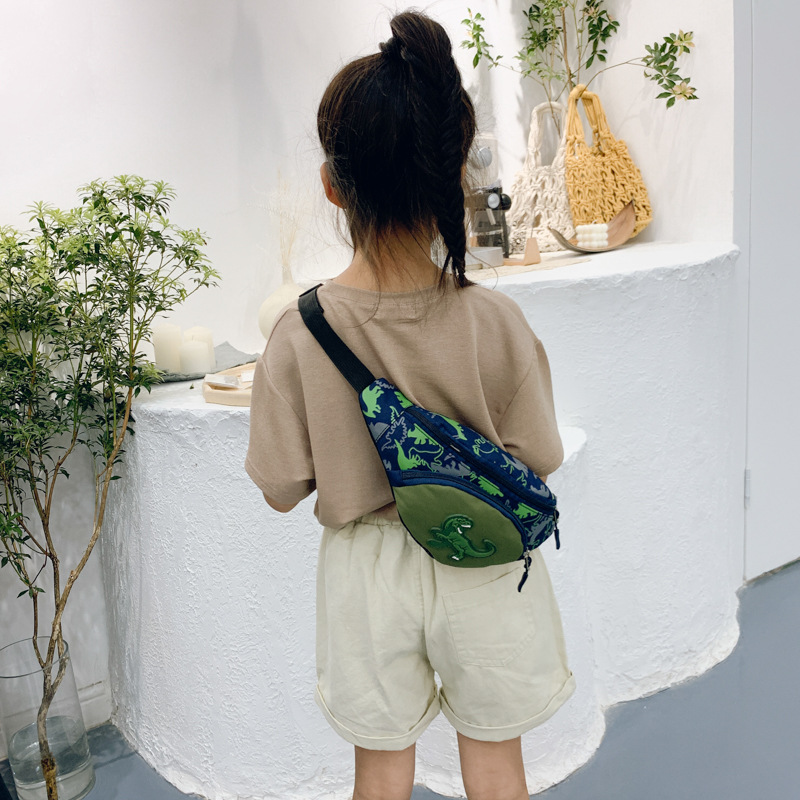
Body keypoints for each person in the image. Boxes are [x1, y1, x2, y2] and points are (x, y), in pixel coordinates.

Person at [245, 9, 574, 800]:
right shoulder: (494, 320)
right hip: (483, 555)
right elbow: (542, 455)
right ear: (453, 172)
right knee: (496, 766)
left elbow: (281, 488)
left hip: (366, 575)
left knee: (382, 772)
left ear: (333, 185)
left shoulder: (299, 331)